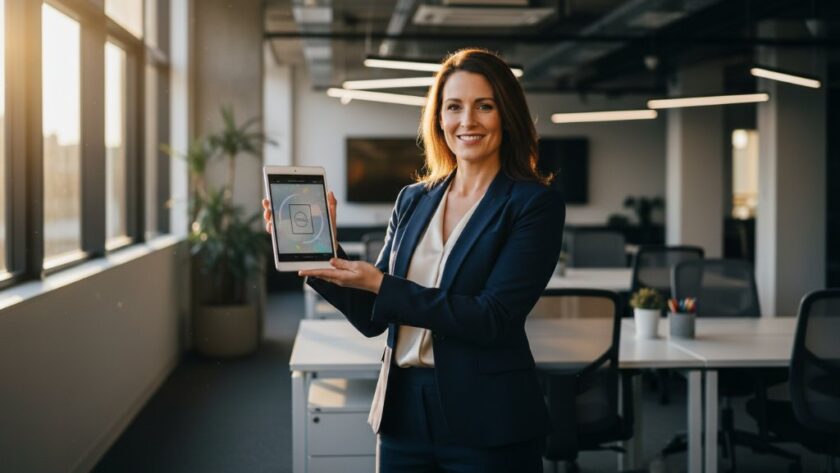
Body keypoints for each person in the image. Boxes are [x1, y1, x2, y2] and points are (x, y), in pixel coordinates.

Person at [263, 48, 565, 472]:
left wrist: (380, 285)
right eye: (454, 107)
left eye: (485, 106)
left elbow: (493, 317)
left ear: (507, 114)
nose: (468, 121)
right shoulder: (414, 199)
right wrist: (323, 254)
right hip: (403, 411)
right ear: (439, 118)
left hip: (488, 417)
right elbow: (374, 316)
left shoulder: (533, 204)